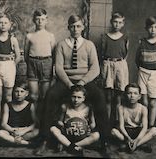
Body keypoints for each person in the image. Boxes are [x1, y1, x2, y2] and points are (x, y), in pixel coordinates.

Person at [35, 15, 109, 156]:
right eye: (73, 26)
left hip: (84, 81)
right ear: (68, 27)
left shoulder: (89, 45)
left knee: (99, 96)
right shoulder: (62, 45)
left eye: (78, 26)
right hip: (66, 81)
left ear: (83, 27)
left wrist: (82, 82)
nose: (76, 29)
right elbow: (59, 68)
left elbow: (95, 68)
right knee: (50, 95)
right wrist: (69, 84)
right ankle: (44, 139)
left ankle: (104, 141)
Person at [135, 16, 156, 127]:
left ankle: (150, 125)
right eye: (150, 27)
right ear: (146, 28)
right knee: (143, 101)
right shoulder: (142, 42)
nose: (153, 30)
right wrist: (144, 69)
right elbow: (137, 59)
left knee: (153, 102)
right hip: (143, 73)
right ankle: (143, 124)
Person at [0, 13, 21, 129]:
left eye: (5, 23)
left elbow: (18, 56)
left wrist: (12, 65)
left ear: (10, 25)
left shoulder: (13, 39)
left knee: (8, 97)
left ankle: (8, 120)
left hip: (9, 67)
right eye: (0, 22)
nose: (3, 25)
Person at [50, 85, 100, 155]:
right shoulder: (65, 106)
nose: (76, 100)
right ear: (70, 96)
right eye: (74, 96)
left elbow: (93, 123)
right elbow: (60, 121)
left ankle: (71, 146)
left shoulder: (88, 108)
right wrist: (62, 125)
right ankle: (74, 146)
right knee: (53, 129)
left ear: (84, 98)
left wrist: (89, 128)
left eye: (79, 97)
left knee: (96, 135)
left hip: (82, 135)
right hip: (67, 134)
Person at [111, 83, 156, 153]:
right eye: (129, 93)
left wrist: (137, 140)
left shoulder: (143, 108)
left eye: (135, 93)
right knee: (113, 131)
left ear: (139, 96)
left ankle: (134, 145)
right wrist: (128, 138)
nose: (132, 96)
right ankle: (136, 144)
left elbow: (144, 127)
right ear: (125, 95)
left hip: (138, 131)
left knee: (155, 130)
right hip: (126, 132)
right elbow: (121, 126)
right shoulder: (121, 108)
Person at [24, 8, 56, 109]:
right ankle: (34, 120)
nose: (40, 22)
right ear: (34, 20)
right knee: (33, 96)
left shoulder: (50, 36)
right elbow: (26, 54)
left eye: (42, 19)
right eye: (37, 19)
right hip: (32, 63)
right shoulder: (29, 36)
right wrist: (32, 63)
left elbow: (54, 53)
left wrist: (50, 65)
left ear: (46, 20)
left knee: (44, 95)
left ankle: (43, 120)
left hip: (46, 63)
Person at [101, 12, 129, 122]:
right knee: (107, 96)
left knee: (119, 96)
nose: (117, 25)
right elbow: (102, 53)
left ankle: (118, 121)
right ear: (111, 22)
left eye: (120, 22)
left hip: (120, 65)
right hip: (107, 64)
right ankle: (107, 122)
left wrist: (119, 64)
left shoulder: (125, 37)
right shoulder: (104, 37)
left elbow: (126, 53)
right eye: (115, 22)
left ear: (123, 24)